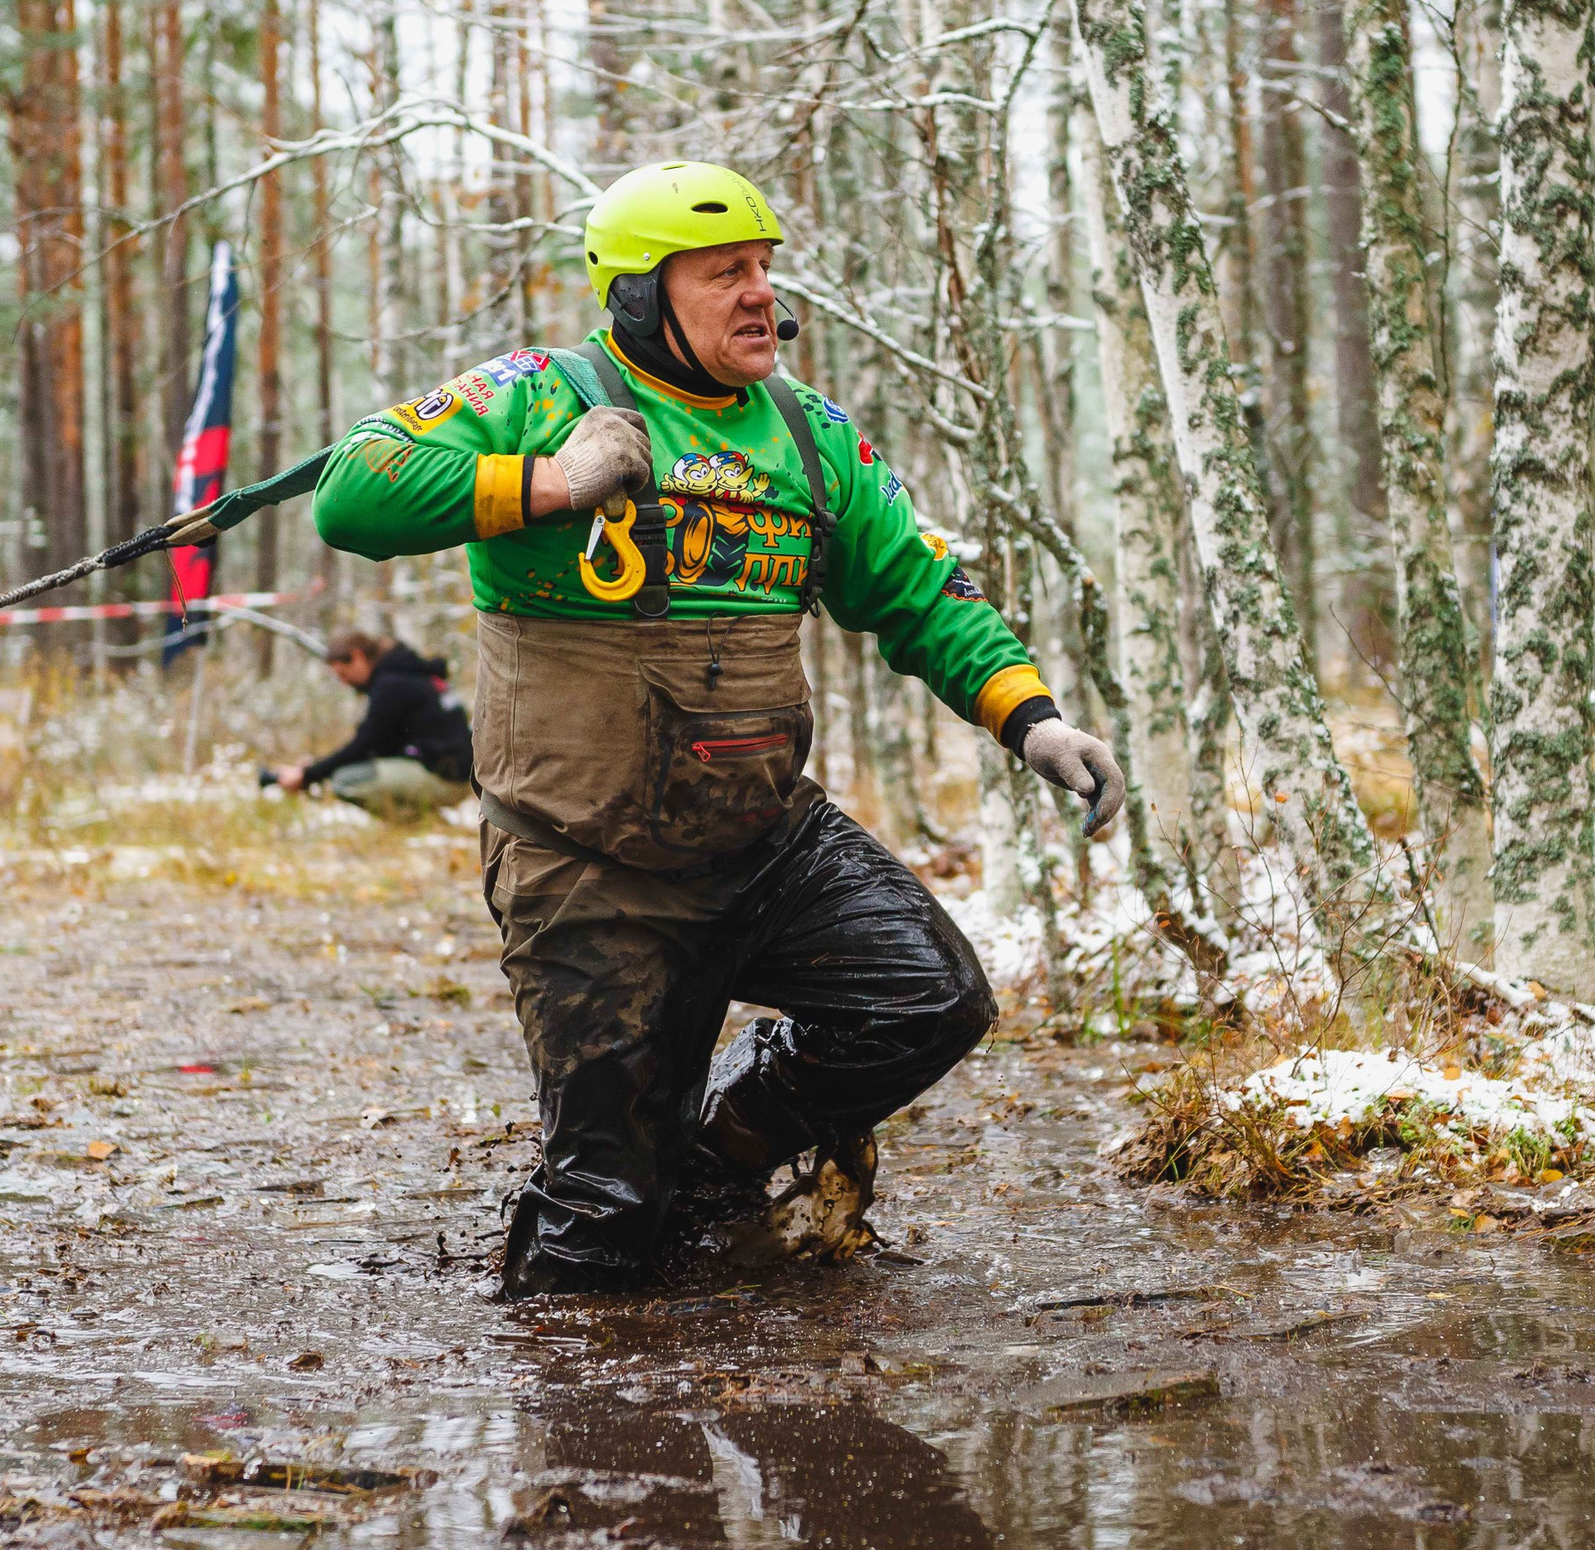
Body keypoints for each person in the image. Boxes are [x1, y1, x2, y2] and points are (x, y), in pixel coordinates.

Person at [311, 160, 1124, 1298]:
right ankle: (591, 1379)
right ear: (640, 295)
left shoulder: (809, 431)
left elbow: (917, 590)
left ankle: (712, 1160)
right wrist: (548, 479)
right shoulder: (543, 390)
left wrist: (1026, 715)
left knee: (932, 997)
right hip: (583, 860)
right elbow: (353, 492)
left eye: (764, 269)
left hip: (764, 842)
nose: (763, 298)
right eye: (724, 273)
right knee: (598, 1226)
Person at [272, 629, 474, 821]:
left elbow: (365, 745)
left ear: (358, 656)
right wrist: (316, 768)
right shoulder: (410, 673)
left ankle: (414, 825)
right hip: (458, 773)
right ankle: (427, 824)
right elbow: (381, 745)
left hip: (447, 779)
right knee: (354, 770)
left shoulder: (391, 684)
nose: (344, 682)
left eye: (343, 674)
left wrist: (308, 775)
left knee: (345, 780)